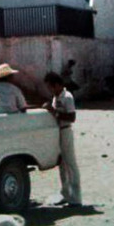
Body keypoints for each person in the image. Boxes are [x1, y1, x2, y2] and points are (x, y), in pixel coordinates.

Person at [43, 71, 82, 207]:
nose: (50, 90)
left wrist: (54, 112)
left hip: (65, 131)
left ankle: (76, 197)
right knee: (62, 165)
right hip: (57, 132)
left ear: (58, 85)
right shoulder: (56, 98)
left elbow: (72, 117)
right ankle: (65, 193)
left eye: (51, 87)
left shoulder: (67, 97)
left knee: (70, 163)